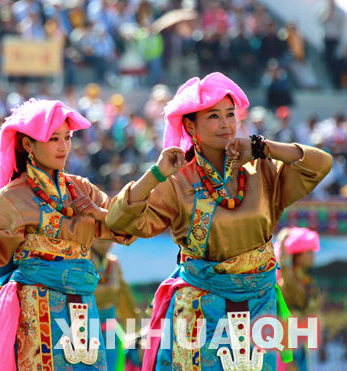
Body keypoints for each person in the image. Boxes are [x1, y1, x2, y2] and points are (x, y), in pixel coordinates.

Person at [104, 72, 332, 370]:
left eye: (230, 114)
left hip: (258, 305)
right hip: (199, 312)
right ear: (190, 125)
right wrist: (156, 174)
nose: (226, 123)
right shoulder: (176, 179)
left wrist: (264, 147)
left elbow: (320, 164)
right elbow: (118, 223)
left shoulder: (261, 170)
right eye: (213, 116)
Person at [0, 99, 135, 370]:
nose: (63, 146)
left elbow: (124, 224)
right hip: (37, 310)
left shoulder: (82, 189)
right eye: (53, 139)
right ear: (28, 145)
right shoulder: (12, 198)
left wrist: (156, 175)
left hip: (83, 307)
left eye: (67, 138)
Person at [275, 227, 322, 371]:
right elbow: (284, 265)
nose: (312, 255)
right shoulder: (288, 279)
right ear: (297, 255)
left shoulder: (305, 280)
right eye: (308, 251)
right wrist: (284, 241)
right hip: (288, 339)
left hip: (300, 339)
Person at [90, 239, 138, 371]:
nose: (105, 242)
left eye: (109, 239)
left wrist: (135, 326)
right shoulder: (83, 262)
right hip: (87, 332)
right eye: (100, 239)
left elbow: (123, 296)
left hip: (111, 332)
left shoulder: (113, 264)